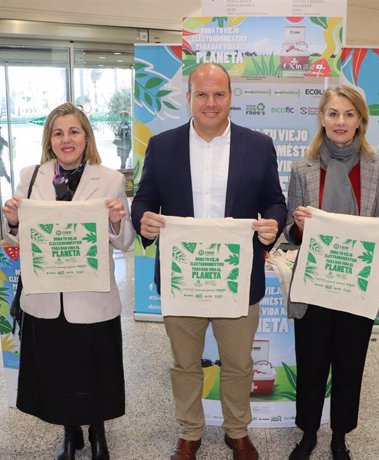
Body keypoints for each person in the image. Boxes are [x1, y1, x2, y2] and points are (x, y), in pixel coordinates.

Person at [131, 62, 287, 460]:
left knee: (238, 363)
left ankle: (237, 431)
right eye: (202, 94)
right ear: (188, 99)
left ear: (231, 97)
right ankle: (190, 431)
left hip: (238, 279)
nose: (211, 103)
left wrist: (274, 222)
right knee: (185, 364)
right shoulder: (162, 146)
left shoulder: (258, 145)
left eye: (219, 94)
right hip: (183, 279)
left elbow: (274, 200)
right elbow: (144, 200)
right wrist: (143, 220)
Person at [1, 102, 134, 460]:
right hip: (46, 296)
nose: (66, 139)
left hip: (91, 296)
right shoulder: (31, 175)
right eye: (58, 133)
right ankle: (70, 432)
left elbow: (125, 242)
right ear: (50, 139)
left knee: (96, 369)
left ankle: (98, 433)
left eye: (73, 131)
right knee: (59, 371)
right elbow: (17, 237)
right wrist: (12, 221)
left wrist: (118, 220)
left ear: (86, 136)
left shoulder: (110, 179)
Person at [284, 85, 379, 460]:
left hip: (357, 287)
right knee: (311, 363)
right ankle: (307, 433)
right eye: (333, 113)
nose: (341, 121)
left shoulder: (378, 166)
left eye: (349, 114)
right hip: (315, 285)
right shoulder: (302, 168)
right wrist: (301, 226)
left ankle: (340, 436)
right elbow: (290, 232)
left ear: (361, 121)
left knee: (350, 365)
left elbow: (374, 226)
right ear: (322, 118)